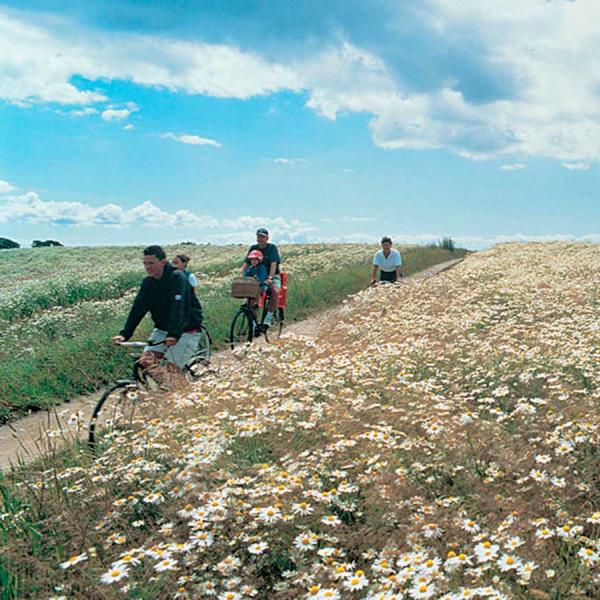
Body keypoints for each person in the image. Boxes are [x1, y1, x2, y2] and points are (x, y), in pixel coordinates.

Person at [112, 245, 203, 374]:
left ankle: (184, 391)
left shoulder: (177, 278)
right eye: (145, 263)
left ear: (163, 262)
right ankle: (165, 391)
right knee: (145, 363)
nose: (148, 267)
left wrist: (174, 334)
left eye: (152, 263)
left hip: (186, 329)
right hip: (162, 329)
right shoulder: (148, 283)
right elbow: (137, 309)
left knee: (172, 372)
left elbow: (179, 309)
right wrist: (125, 334)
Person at [241, 228, 281, 328]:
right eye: (258, 236)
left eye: (262, 237)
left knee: (275, 291)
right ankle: (254, 324)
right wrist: (242, 277)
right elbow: (246, 264)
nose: (260, 238)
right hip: (256, 277)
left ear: (267, 238)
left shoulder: (272, 248)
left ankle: (268, 318)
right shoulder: (253, 248)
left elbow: (273, 264)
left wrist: (270, 278)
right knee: (249, 297)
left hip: (271, 276)